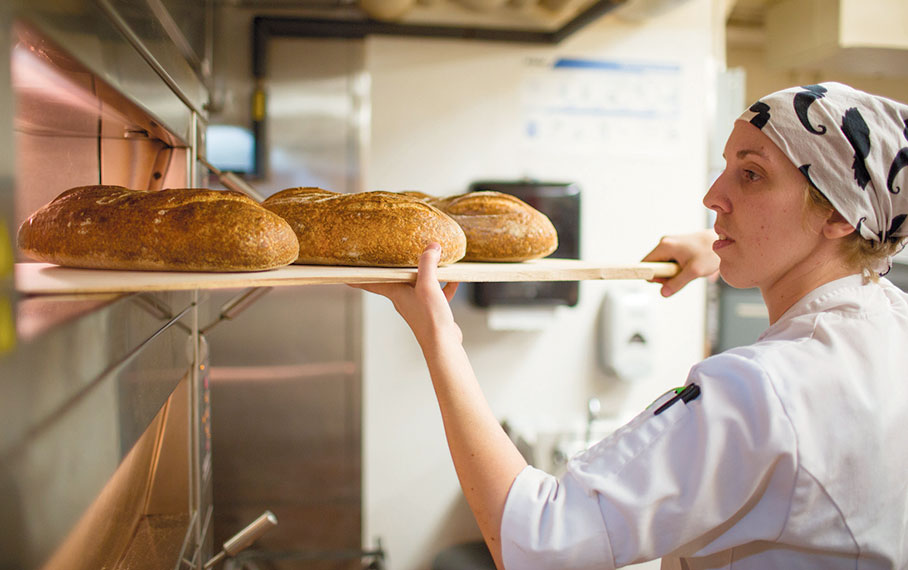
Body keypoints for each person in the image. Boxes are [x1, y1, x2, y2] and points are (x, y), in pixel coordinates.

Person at [353, 82, 908, 569]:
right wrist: (725, 255)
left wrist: (437, 333)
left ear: (837, 216)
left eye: (751, 174)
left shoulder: (763, 392)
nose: (714, 197)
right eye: (725, 166)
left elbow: (537, 542)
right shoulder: (891, 322)